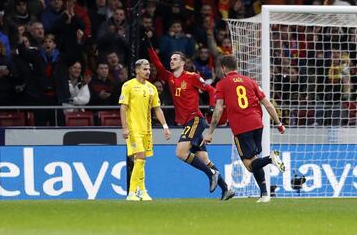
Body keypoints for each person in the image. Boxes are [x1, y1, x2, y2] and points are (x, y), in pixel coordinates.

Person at [148, 45, 235, 201]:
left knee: (180, 152)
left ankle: (212, 174)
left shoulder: (192, 77)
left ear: (183, 62)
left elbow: (211, 90)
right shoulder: (170, 77)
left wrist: (211, 105)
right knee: (203, 159)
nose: (171, 61)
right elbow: (158, 64)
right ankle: (226, 189)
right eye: (170, 59)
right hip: (187, 122)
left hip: (195, 119)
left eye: (175, 59)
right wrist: (149, 47)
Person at [202, 56, 286, 203]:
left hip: (241, 127)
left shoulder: (222, 84)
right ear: (236, 66)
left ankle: (271, 159)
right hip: (257, 124)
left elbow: (218, 109)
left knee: (249, 164)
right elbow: (267, 104)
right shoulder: (250, 81)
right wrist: (278, 123)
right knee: (254, 159)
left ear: (223, 68)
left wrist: (210, 132)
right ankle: (265, 194)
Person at [119, 59, 171, 201]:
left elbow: (157, 109)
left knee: (141, 160)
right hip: (133, 128)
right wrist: (124, 128)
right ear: (137, 70)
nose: (148, 71)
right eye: (144, 69)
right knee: (140, 157)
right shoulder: (128, 86)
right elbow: (123, 107)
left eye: (148, 69)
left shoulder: (151, 88)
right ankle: (131, 193)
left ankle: (142, 191)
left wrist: (165, 127)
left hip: (147, 129)